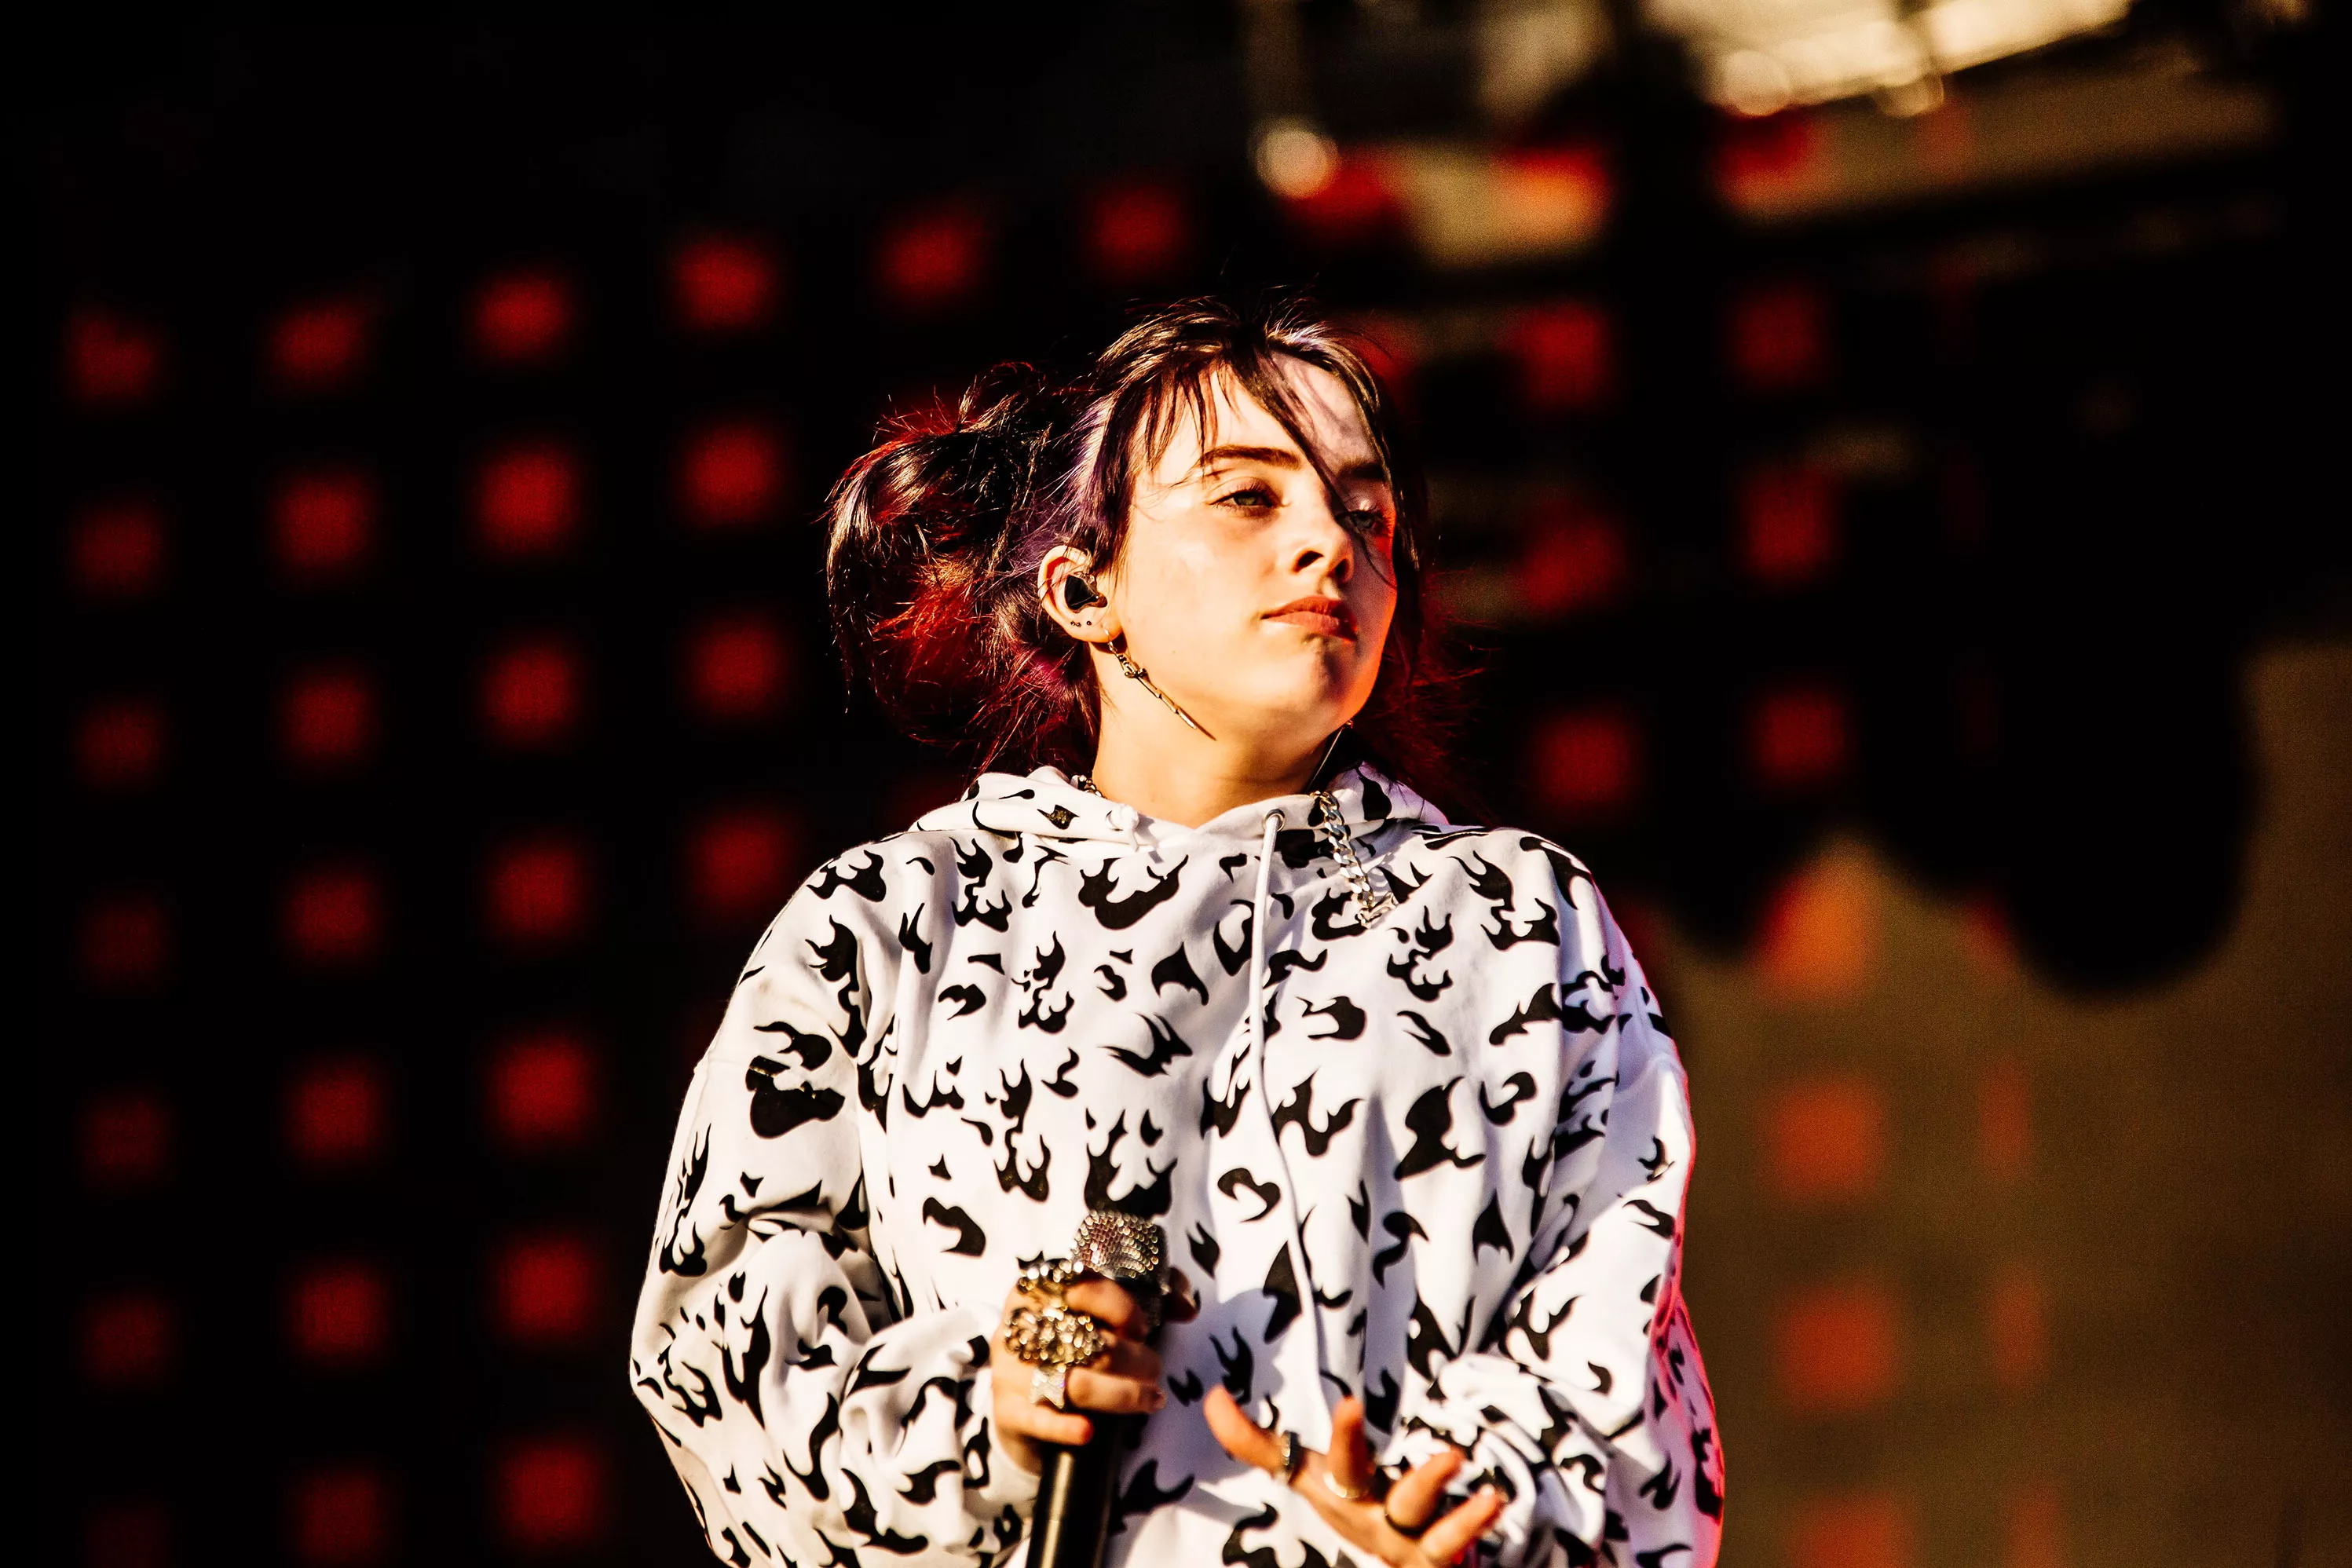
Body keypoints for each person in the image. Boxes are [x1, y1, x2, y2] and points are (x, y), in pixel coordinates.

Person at [628, 297, 1723, 1567]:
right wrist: (985, 1416)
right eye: (1247, 498)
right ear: (1084, 587)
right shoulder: (884, 929)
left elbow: (1617, 1335)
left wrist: (1474, 1506)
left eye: (1367, 514)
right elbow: (723, 1355)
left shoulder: (1514, 920)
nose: (1329, 543)